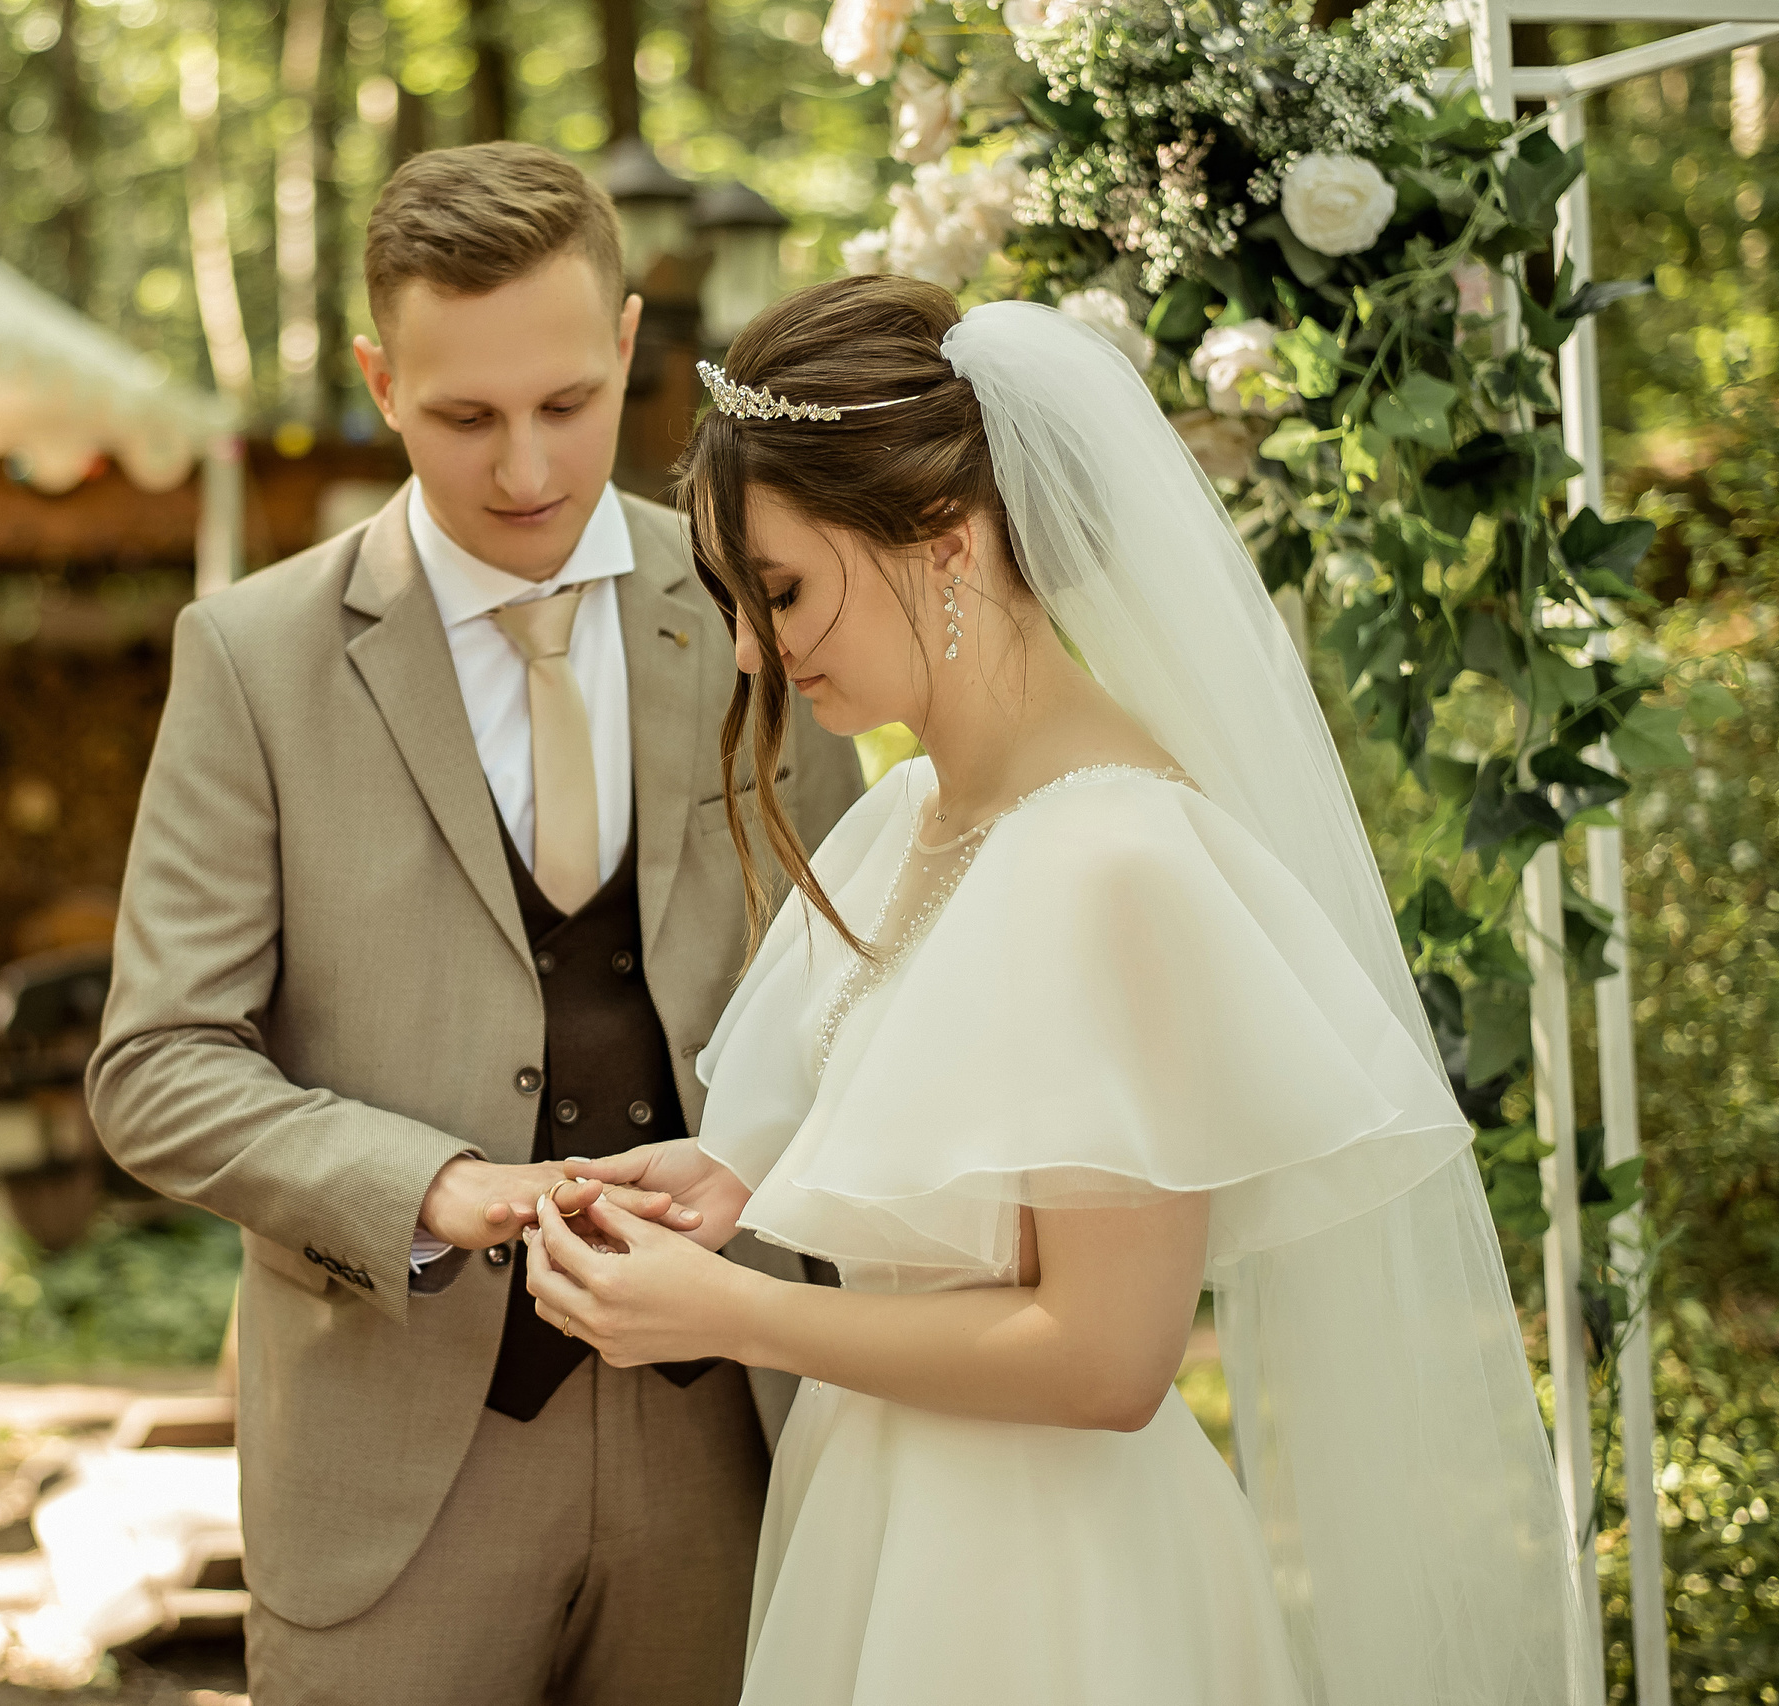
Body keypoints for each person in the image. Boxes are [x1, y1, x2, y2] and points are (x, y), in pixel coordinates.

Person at [535, 277, 1595, 1705]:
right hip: (880, 1518)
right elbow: (941, 1171)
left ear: (949, 542)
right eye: (731, 599)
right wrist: (731, 1176)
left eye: (778, 589)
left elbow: (1107, 1356)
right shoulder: (906, 814)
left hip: (1046, 1577)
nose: (747, 649)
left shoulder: (1113, 860)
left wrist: (729, 1312)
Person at [87, 141, 865, 1706]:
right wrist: (422, 1186)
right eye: (466, 417)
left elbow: (865, 974)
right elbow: (156, 1065)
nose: (525, 468)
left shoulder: (757, 608)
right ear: (381, 378)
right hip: (396, 1464)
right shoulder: (253, 658)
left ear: (632, 345)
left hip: (740, 1430)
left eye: (568, 404)